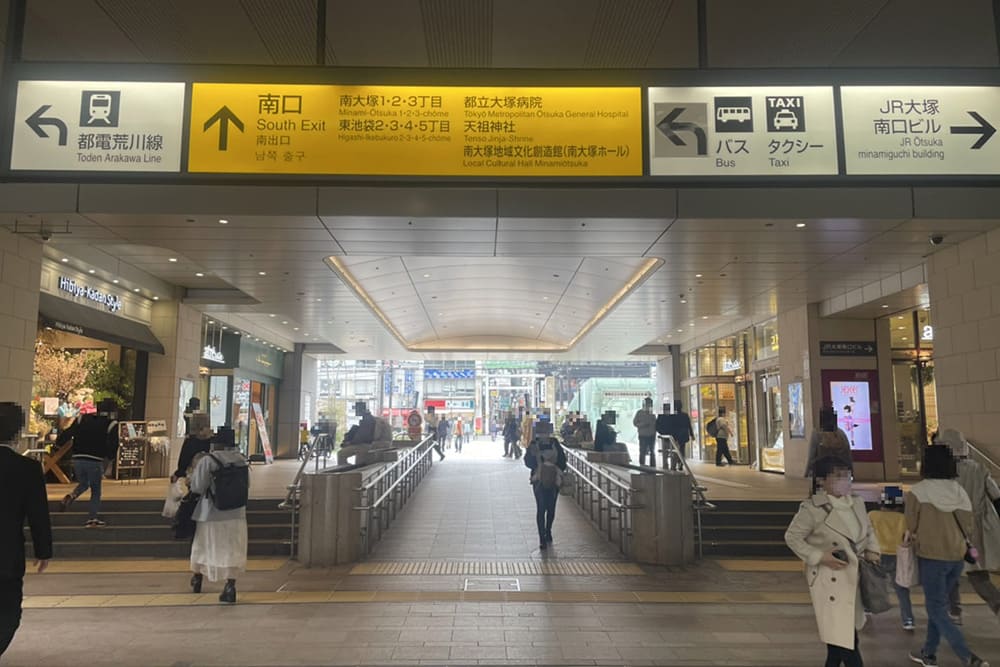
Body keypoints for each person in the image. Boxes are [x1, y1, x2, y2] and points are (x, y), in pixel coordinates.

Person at [785, 456, 880, 667]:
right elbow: (792, 537)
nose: (845, 480)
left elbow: (868, 529)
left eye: (847, 475)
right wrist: (819, 556)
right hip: (830, 581)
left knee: (841, 640)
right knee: (846, 641)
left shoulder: (857, 503)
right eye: (837, 476)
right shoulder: (812, 509)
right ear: (821, 480)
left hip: (855, 578)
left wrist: (873, 550)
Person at [905, 445, 989, 667]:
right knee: (939, 607)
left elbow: (910, 525)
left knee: (936, 609)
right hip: (956, 557)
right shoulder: (959, 491)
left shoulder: (918, 492)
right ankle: (928, 653)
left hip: (931, 558)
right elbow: (969, 526)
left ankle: (969, 657)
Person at [0, 403, 52, 658]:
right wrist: (44, 550)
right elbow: (38, 513)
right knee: (8, 612)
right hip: (7, 555)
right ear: (18, 432)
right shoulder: (27, 469)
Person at [937, 429, 1000, 624]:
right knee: (977, 574)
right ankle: (997, 606)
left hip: (952, 530)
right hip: (976, 531)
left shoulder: (943, 474)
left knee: (949, 573)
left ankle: (954, 611)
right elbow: (996, 495)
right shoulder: (979, 469)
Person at [189, 428, 249, 604]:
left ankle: (197, 577)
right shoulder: (241, 460)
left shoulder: (208, 460)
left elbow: (198, 487)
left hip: (211, 512)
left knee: (204, 544)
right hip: (236, 513)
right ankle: (230, 586)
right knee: (232, 548)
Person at [56, 398, 119, 526]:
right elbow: (114, 444)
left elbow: (69, 432)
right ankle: (92, 518)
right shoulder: (111, 424)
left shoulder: (82, 419)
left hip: (78, 458)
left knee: (84, 483)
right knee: (96, 490)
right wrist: (109, 458)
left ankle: (71, 496)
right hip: (95, 460)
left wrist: (58, 444)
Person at [868, 489, 915, 631]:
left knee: (870, 585)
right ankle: (908, 620)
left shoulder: (872, 515)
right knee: (902, 589)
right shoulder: (902, 518)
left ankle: (867, 609)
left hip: (876, 554)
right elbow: (907, 537)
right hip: (897, 556)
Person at [524, 435, 568, 551]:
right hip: (539, 480)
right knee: (541, 507)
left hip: (553, 479)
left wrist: (551, 467)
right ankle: (542, 538)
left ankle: (548, 530)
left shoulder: (555, 442)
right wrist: (534, 457)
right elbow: (527, 461)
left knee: (551, 508)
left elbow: (563, 461)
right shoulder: (534, 442)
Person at [806, 406, 853, 480]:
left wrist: (807, 472)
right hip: (841, 473)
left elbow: (812, 455)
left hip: (822, 473)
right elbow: (848, 456)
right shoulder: (841, 434)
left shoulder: (817, 434)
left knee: (822, 490)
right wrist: (851, 473)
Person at [173, 412, 213, 483]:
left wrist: (178, 473)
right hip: (211, 475)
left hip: (194, 476)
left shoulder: (190, 441)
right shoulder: (213, 441)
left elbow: (184, 460)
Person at [667, 399, 695, 472]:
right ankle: (680, 464)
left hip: (675, 436)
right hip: (683, 435)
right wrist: (692, 435)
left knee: (674, 450)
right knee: (682, 450)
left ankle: (674, 464)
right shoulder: (685, 415)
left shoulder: (672, 416)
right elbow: (689, 425)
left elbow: (670, 426)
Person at [633, 397, 658, 468]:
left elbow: (656, 423)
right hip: (643, 435)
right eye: (647, 403)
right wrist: (642, 425)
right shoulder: (639, 412)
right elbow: (635, 423)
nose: (649, 405)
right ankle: (642, 466)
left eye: (650, 403)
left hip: (652, 435)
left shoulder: (653, 413)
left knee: (652, 452)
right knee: (642, 451)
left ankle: (653, 467)